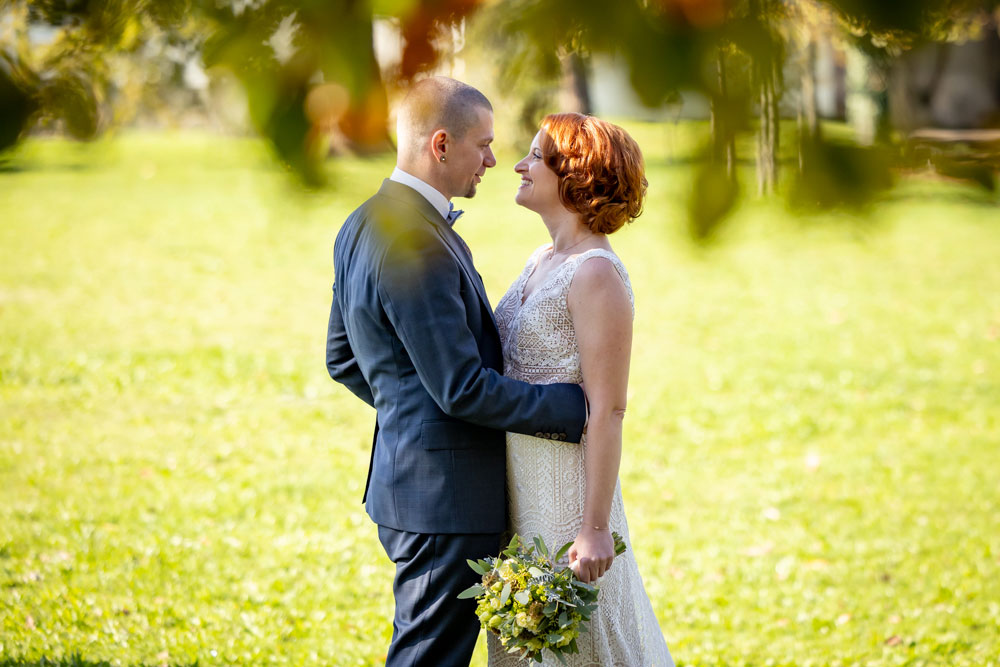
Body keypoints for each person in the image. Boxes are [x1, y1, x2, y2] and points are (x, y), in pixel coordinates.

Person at [325, 78, 589, 666]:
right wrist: (574, 407)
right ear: (441, 145)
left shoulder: (361, 224)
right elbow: (461, 387)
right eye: (484, 144)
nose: (496, 160)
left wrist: (409, 414)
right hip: (445, 502)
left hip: (410, 490)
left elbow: (342, 358)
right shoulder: (415, 240)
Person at [489, 113, 674, 666]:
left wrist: (593, 528)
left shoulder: (596, 274)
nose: (519, 165)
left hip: (568, 494)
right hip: (517, 486)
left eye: (536, 156)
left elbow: (609, 409)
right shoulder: (540, 260)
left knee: (581, 644)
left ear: (574, 175)